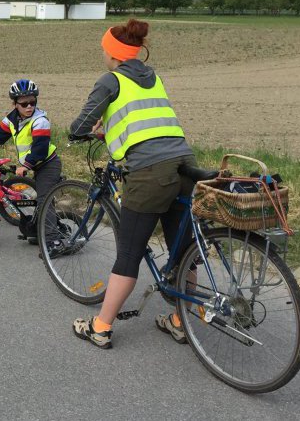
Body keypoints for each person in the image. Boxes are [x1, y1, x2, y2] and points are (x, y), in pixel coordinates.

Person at [69, 18, 195, 350]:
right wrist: (108, 129)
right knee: (182, 250)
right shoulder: (153, 78)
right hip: (184, 165)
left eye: (103, 51)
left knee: (128, 253)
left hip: (150, 173)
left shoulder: (110, 80)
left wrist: (82, 131)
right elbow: (145, 123)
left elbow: (79, 124)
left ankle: (100, 327)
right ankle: (182, 323)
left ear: (112, 53)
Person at [0, 79, 62, 241]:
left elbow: (40, 148)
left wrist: (25, 166)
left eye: (32, 102)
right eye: (24, 104)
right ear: (15, 104)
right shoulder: (12, 120)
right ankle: (39, 231)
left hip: (48, 164)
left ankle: (53, 240)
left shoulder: (40, 121)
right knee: (39, 198)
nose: (29, 106)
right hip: (36, 166)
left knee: (44, 200)